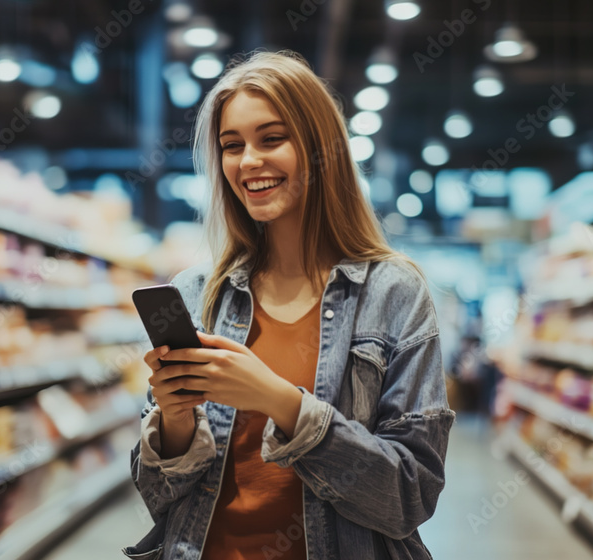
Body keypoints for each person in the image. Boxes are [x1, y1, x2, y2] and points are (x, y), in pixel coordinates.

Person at [125, 50, 454, 560]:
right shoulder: (197, 293)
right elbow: (156, 495)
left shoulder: (393, 293)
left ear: (321, 148)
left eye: (271, 139)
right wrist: (174, 419)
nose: (249, 161)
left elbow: (408, 496)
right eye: (231, 146)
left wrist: (283, 403)